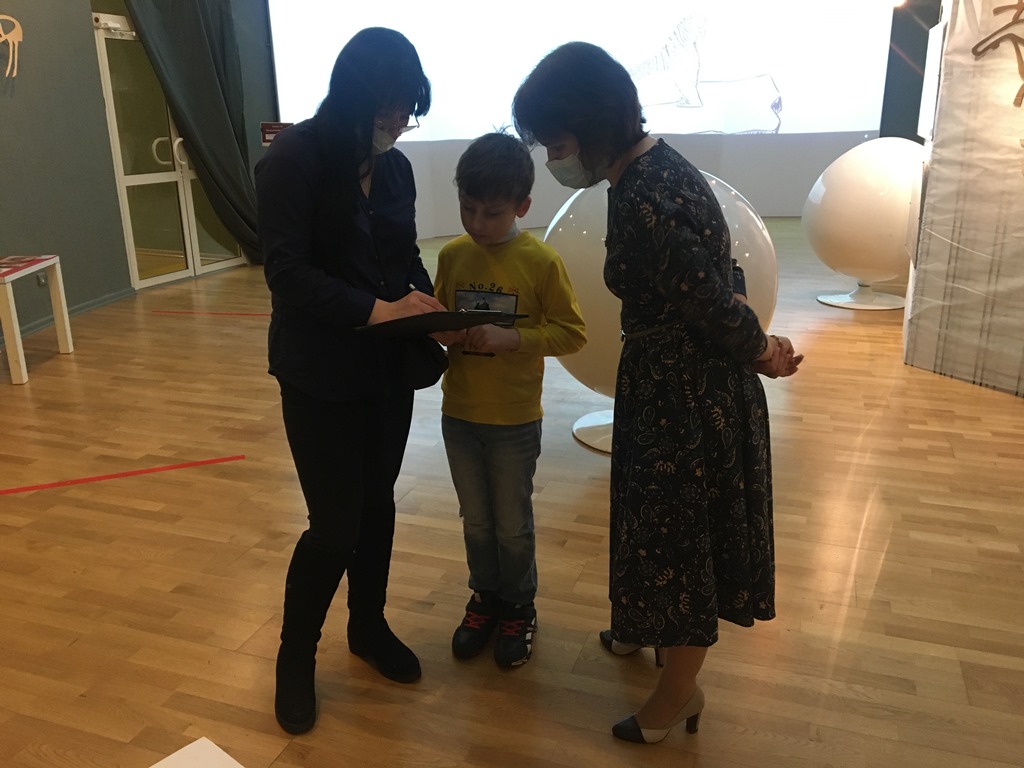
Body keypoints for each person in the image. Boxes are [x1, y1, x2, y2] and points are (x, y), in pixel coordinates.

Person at [512, 42, 802, 743]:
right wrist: (753, 345)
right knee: (656, 523)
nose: (553, 157)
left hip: (685, 396)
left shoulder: (645, 193)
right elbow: (720, 275)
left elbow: (711, 300)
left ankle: (677, 694)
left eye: (557, 142)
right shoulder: (659, 167)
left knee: (677, 538)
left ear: (589, 127)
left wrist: (763, 351)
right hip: (671, 385)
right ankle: (642, 625)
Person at [254, 28, 447, 735]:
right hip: (318, 371)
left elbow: (403, 256)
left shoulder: (395, 170)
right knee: (335, 525)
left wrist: (429, 308)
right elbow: (287, 273)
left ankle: (368, 627)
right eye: (387, 109)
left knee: (378, 507)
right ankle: (294, 657)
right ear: (351, 97)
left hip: (385, 368)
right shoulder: (293, 161)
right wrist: (376, 309)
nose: (397, 123)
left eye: (407, 112)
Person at [431, 132, 586, 668]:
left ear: (522, 206)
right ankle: (485, 597)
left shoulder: (541, 262)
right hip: (459, 414)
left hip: (515, 421)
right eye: (467, 208)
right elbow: (441, 320)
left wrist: (513, 338)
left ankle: (519, 605)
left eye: (492, 213)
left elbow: (572, 333)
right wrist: (441, 332)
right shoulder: (452, 255)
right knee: (475, 520)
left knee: (512, 524)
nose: (477, 223)